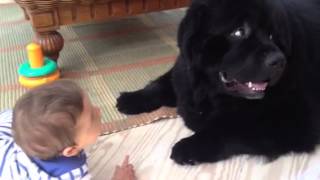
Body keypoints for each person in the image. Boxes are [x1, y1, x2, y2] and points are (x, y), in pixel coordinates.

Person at [0, 80, 136, 180]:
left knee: (14, 117)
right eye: (92, 118)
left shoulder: (22, 128)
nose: (99, 111)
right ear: (71, 150)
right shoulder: (70, 174)